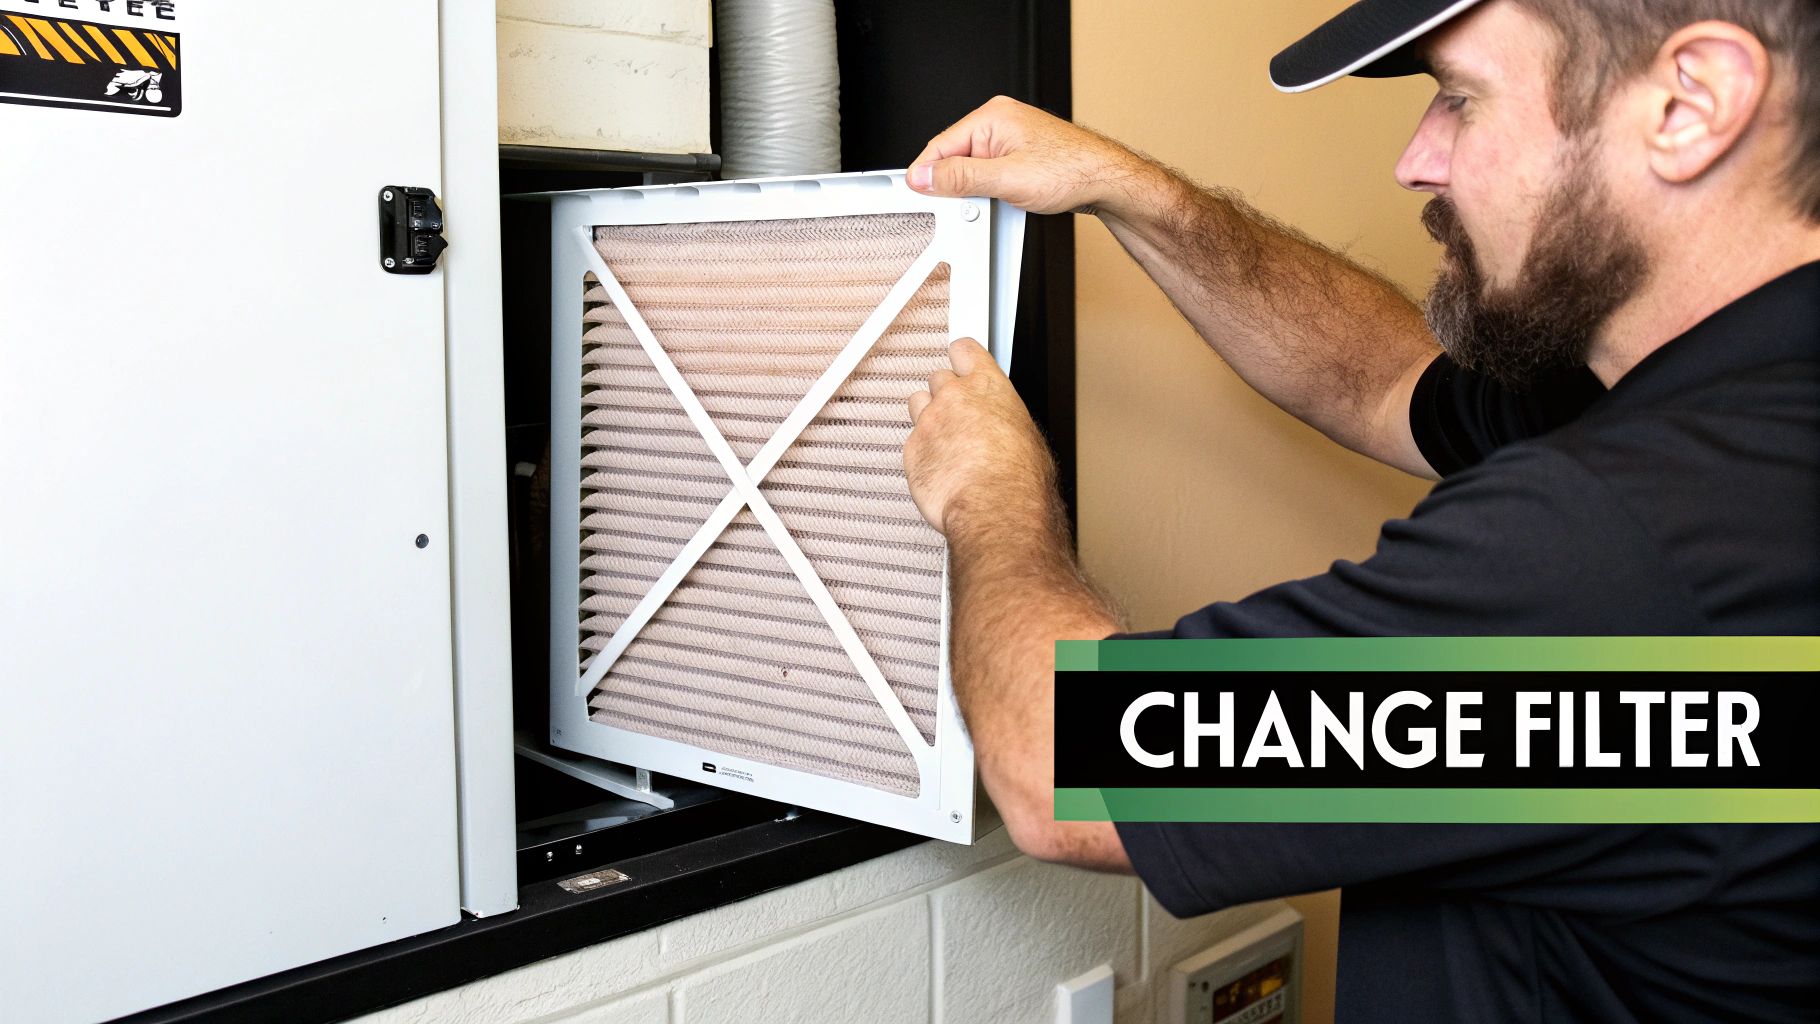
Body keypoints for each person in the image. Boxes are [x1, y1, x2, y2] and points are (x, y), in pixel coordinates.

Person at [896, 0, 1820, 1020]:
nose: (1416, 159)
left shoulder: (1613, 541)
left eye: (1459, 98)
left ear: (1692, 101)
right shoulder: (1701, 400)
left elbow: (1064, 764)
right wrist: (1132, 191)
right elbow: (1381, 381)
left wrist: (991, 493)